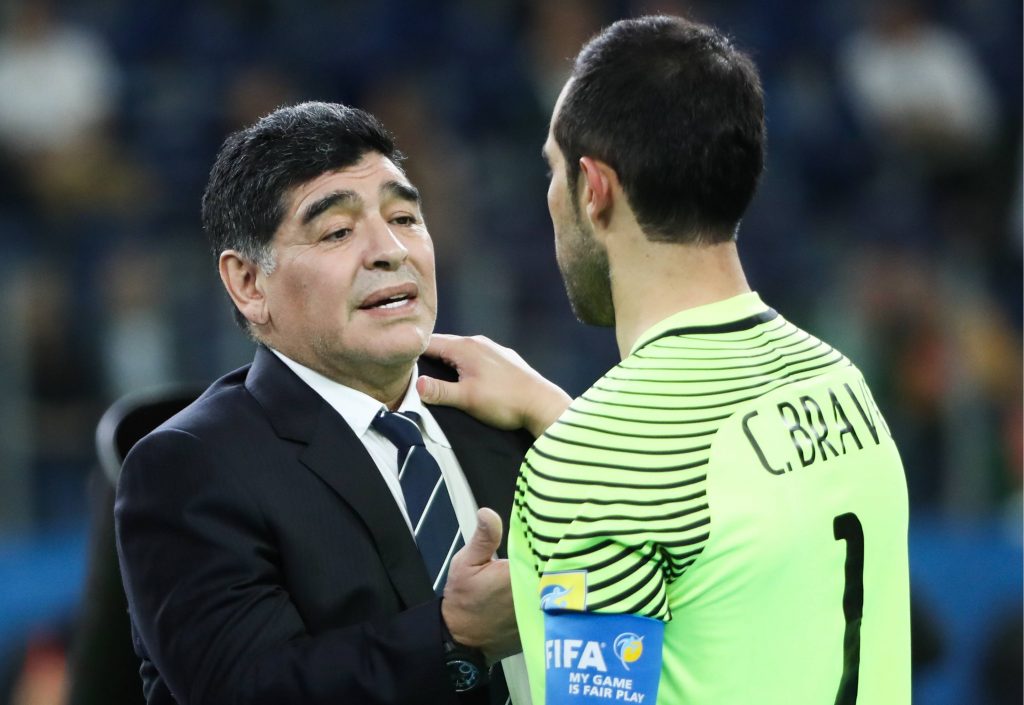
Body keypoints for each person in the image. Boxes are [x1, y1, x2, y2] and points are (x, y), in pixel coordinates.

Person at [417, 15, 911, 705]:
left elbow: (633, 486)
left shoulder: (598, 466)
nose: (552, 197)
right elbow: (723, 533)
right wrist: (563, 415)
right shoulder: (839, 382)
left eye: (554, 170)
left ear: (595, 188)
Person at [114, 101, 535, 705]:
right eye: (338, 232)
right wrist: (454, 637)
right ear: (249, 284)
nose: (390, 250)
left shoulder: (501, 404)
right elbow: (253, 689)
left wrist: (556, 413)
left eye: (405, 217)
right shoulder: (189, 467)